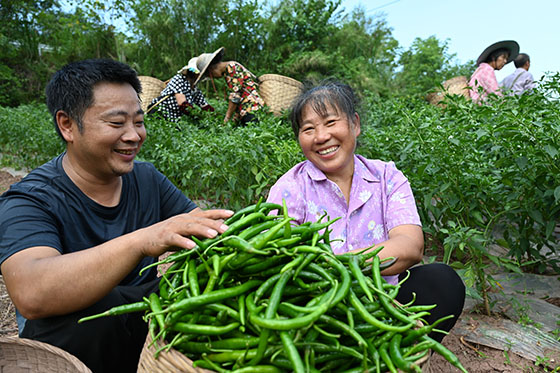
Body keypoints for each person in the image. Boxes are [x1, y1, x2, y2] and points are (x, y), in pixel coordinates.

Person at [0, 59, 233, 373]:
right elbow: (32, 292)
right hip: (74, 346)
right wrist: (143, 240)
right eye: (116, 123)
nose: (134, 135)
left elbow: (203, 227)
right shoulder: (31, 198)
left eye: (138, 122)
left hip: (139, 328)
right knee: (102, 310)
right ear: (67, 125)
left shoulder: (147, 179)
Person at [266, 81, 465, 343]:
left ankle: (398, 351)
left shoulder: (386, 177)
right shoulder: (291, 186)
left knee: (443, 282)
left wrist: (338, 264)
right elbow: (276, 260)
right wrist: (331, 281)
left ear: (355, 124)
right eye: (308, 129)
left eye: (330, 122)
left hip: (384, 297)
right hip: (317, 303)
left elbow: (410, 245)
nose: (321, 136)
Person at [193, 47, 265, 125]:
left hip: (251, 110)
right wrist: (236, 117)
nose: (214, 78)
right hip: (246, 111)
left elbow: (235, 97)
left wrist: (227, 118)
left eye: (211, 76)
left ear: (211, 70)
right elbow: (241, 94)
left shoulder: (232, 68)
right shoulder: (228, 71)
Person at [147, 58, 215, 122]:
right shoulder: (179, 79)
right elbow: (182, 104)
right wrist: (198, 116)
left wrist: (215, 116)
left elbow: (204, 105)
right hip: (160, 112)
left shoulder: (194, 88)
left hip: (174, 117)